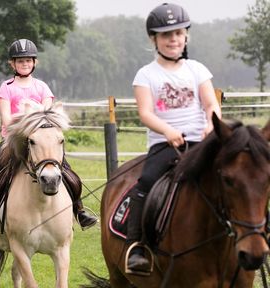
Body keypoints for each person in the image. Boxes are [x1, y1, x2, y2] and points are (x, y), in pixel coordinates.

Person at [125, 3, 222, 274]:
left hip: (201, 141)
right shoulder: (146, 75)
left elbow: (211, 104)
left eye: (178, 33)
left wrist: (212, 126)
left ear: (186, 36)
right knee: (145, 182)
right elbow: (145, 113)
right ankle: (138, 247)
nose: (173, 40)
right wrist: (167, 131)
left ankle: (260, 230)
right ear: (154, 39)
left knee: (239, 173)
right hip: (165, 144)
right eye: (166, 35)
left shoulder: (197, 70)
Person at [0, 39, 98, 237]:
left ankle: (80, 210)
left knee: (66, 170)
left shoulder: (42, 87)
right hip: (12, 142)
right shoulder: (6, 87)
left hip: (40, 142)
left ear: (34, 62)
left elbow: (47, 114)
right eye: (20, 61)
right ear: (12, 64)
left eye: (28, 60)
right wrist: (27, 126)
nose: (25, 64)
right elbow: (6, 119)